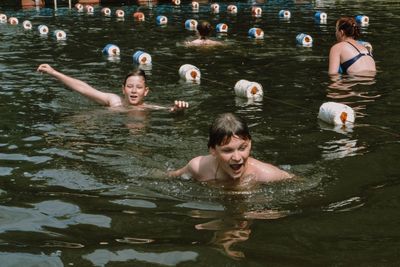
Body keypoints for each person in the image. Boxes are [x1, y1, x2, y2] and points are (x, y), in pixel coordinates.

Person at [168, 113, 293, 188]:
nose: (237, 157)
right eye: (227, 151)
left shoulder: (267, 174)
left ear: (250, 144)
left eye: (242, 148)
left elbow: (300, 184)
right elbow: (169, 177)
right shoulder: (198, 168)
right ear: (213, 151)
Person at [37, 64, 189, 112]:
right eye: (130, 87)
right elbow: (83, 89)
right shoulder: (114, 101)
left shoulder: (149, 108)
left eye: (138, 87)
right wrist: (53, 72)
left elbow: (170, 110)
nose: (134, 90)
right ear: (123, 89)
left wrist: (178, 110)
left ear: (146, 91)